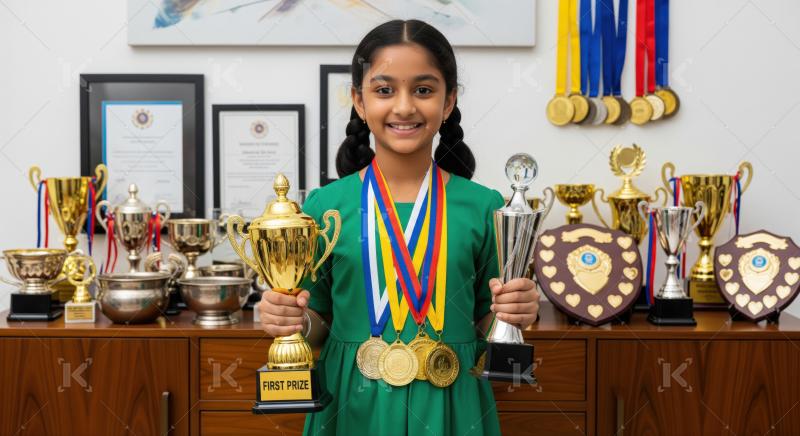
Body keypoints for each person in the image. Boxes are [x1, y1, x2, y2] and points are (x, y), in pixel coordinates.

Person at [258, 19, 540, 436]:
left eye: (423, 90)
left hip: (452, 401)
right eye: (384, 90)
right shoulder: (322, 208)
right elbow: (317, 324)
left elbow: (488, 324)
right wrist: (290, 322)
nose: (404, 106)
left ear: (448, 102)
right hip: (349, 401)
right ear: (359, 100)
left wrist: (517, 313)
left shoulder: (486, 207)